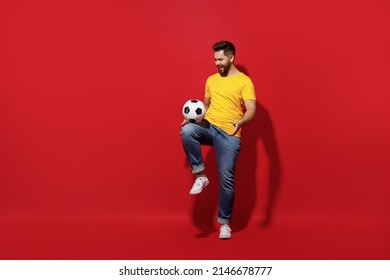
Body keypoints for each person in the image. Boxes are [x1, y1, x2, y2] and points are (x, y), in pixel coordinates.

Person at [181, 40, 256, 239]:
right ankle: (201, 175)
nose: (217, 63)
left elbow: (251, 109)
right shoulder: (211, 79)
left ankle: (224, 223)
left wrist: (241, 122)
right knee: (187, 131)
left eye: (220, 59)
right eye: (215, 59)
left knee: (226, 180)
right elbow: (205, 105)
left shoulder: (244, 81)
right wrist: (192, 118)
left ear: (231, 57)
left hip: (230, 133)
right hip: (209, 126)